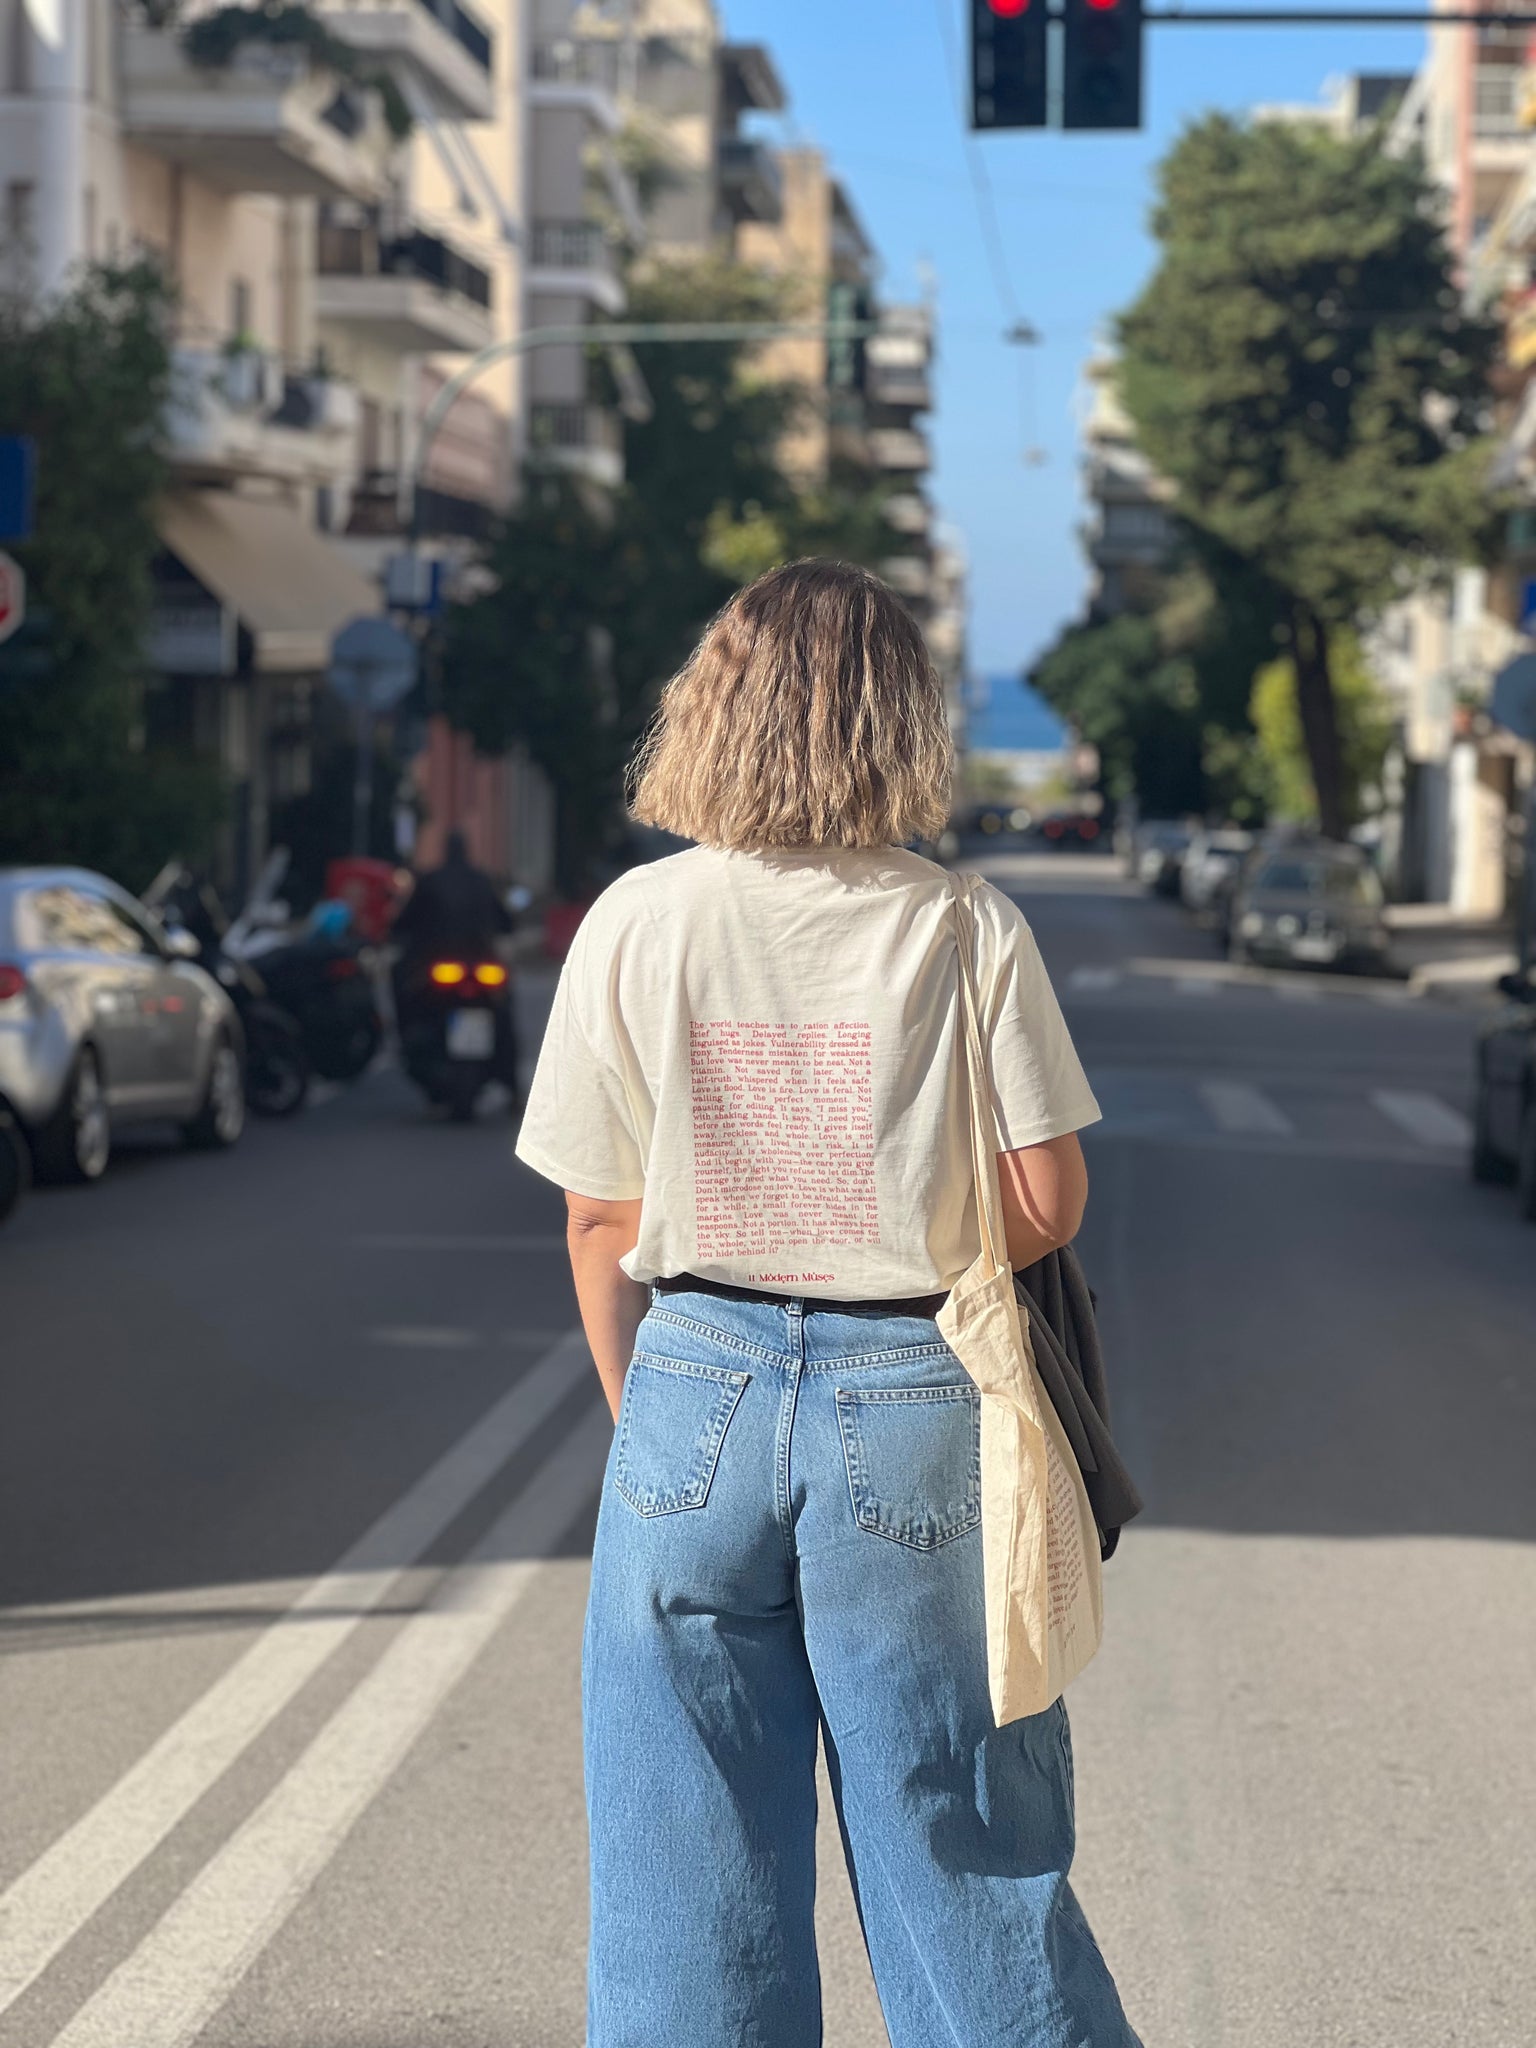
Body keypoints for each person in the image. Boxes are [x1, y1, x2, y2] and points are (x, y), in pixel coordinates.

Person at [515, 560, 1140, 2048]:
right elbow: (1047, 1199)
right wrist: (894, 1203)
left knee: (682, 1882)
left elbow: (599, 1213)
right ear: (899, 723)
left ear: (709, 710)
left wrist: (651, 1416)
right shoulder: (961, 925)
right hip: (914, 1394)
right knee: (964, 1850)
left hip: (692, 1388)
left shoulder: (636, 918)